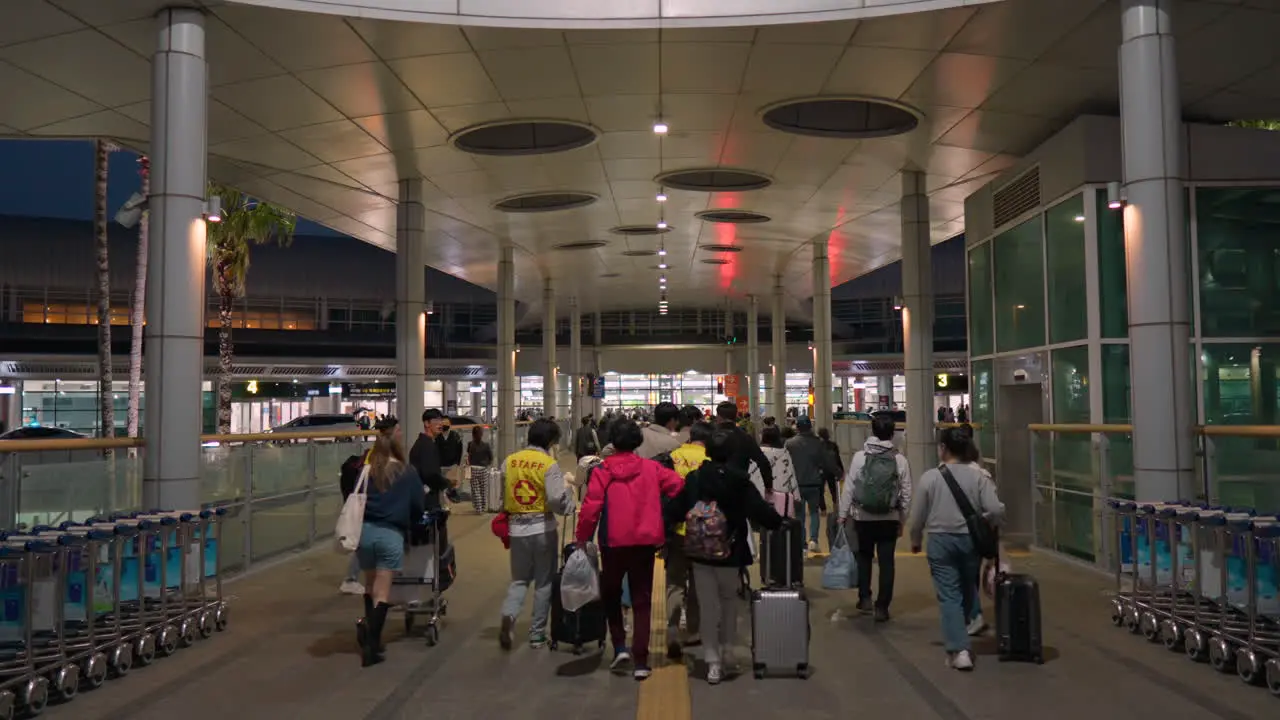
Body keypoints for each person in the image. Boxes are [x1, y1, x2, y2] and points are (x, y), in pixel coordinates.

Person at [665, 429, 784, 684]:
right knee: (729, 601)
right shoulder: (739, 480)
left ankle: (712, 664)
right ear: (731, 453)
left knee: (708, 607)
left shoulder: (696, 479)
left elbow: (675, 508)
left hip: (701, 552)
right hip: (731, 551)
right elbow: (760, 511)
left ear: (707, 451)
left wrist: (663, 528)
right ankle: (728, 652)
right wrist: (779, 522)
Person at [575, 419, 684, 680]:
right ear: (637, 441)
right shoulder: (652, 468)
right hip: (645, 542)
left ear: (613, 441)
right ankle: (641, 661)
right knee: (642, 599)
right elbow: (678, 486)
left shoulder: (602, 471)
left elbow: (590, 509)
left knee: (612, 595)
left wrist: (582, 538)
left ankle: (620, 647)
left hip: (612, 542)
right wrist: (661, 512)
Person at [908, 424, 1005, 671]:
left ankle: (959, 649)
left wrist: (916, 538)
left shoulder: (931, 477)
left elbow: (917, 515)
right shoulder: (980, 475)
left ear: (943, 449)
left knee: (949, 594)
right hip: (969, 541)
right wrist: (986, 523)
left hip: (940, 541)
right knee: (966, 588)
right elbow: (995, 509)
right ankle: (962, 635)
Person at [353, 416, 426, 667]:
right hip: (390, 534)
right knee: (382, 593)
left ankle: (370, 636)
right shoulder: (407, 472)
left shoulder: (366, 469)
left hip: (364, 534)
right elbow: (418, 506)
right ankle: (373, 646)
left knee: (369, 586)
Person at [498, 418, 574, 650]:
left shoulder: (509, 461)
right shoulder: (548, 464)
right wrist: (568, 500)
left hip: (517, 529)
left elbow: (502, 494)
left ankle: (509, 615)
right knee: (543, 583)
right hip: (542, 528)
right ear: (550, 441)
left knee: (519, 579)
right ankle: (537, 634)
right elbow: (554, 499)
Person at [838, 413, 912, 623]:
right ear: (892, 434)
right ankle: (882, 607)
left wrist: (843, 515)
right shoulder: (900, 460)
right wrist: (901, 519)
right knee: (887, 562)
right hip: (889, 518)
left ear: (872, 431)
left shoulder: (860, 457)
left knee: (864, 558)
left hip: (863, 517)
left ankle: (865, 598)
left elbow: (850, 488)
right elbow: (906, 494)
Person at [663, 420, 712, 659]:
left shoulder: (673, 456)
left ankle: (672, 632)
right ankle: (693, 631)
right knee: (698, 582)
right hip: (703, 530)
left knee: (674, 582)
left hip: (677, 529)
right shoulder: (710, 461)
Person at [785, 417, 842, 552]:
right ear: (810, 427)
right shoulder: (819, 443)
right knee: (814, 512)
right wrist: (838, 473)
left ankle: (802, 543)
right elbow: (828, 461)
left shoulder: (789, 444)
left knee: (799, 515)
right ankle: (814, 540)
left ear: (797, 427)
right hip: (814, 483)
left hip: (796, 484)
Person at [711, 401, 773, 493]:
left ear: (718, 417)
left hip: (714, 488)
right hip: (739, 489)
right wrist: (768, 486)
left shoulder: (710, 435)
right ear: (736, 417)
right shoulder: (745, 437)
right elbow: (763, 462)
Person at [817, 427, 844, 513]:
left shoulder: (817, 446)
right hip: (832, 471)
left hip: (821, 471)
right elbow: (837, 459)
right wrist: (841, 470)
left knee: (820, 491)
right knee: (833, 490)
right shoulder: (833, 445)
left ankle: (823, 510)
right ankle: (836, 507)